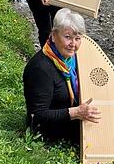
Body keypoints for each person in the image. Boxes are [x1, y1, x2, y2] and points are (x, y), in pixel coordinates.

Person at [23, 8, 101, 143]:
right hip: (51, 128)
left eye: (77, 38)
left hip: (71, 117)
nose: (73, 44)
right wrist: (76, 112)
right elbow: (36, 116)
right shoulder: (40, 69)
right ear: (53, 35)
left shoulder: (73, 59)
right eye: (67, 37)